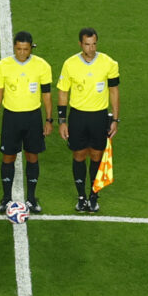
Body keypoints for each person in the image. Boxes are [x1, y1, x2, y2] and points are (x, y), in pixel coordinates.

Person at [0, 31, 55, 213]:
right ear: (14, 48)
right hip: (11, 118)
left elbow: (47, 95)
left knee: (32, 156)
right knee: (8, 157)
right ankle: (6, 198)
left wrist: (49, 119)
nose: (22, 53)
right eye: (18, 49)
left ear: (31, 48)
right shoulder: (3, 66)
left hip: (33, 118)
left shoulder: (42, 66)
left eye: (25, 49)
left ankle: (32, 198)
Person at [55, 27, 119, 213]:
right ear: (80, 44)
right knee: (79, 155)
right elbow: (63, 93)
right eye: (87, 44)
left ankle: (93, 195)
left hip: (99, 116)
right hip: (78, 117)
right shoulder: (70, 64)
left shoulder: (109, 63)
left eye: (94, 44)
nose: (91, 48)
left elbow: (114, 92)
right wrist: (62, 121)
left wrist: (115, 118)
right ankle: (81, 196)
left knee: (97, 156)